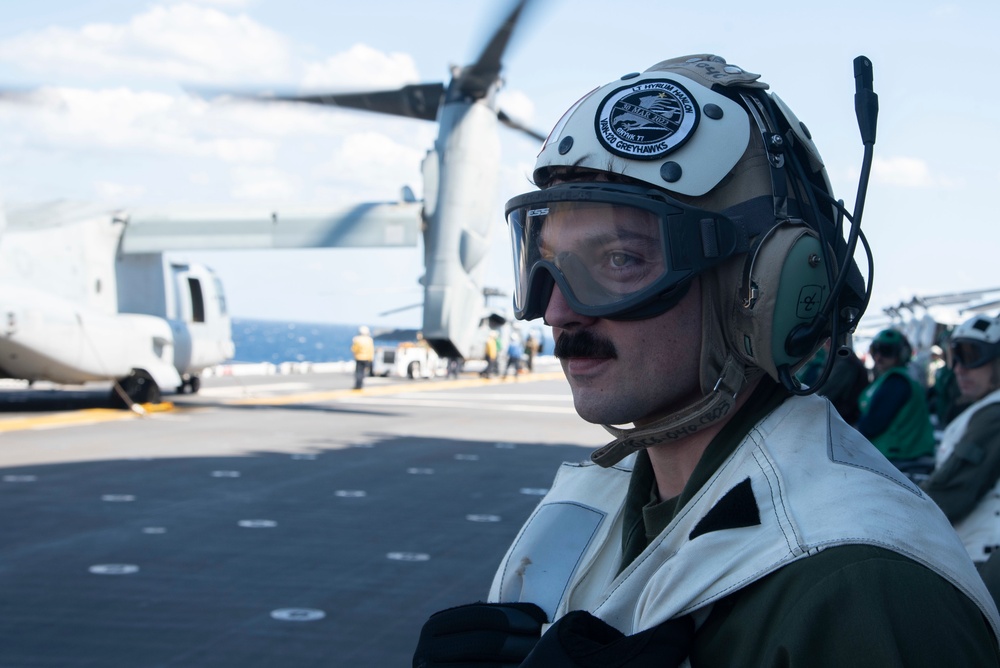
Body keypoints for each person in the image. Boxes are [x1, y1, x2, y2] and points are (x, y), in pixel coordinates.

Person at [413, 54, 999, 666]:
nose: (556, 311)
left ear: (765, 290)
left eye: (618, 260)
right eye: (546, 262)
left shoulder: (862, 588)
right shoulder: (604, 504)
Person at [922, 313, 1000, 603]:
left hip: (983, 565)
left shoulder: (993, 416)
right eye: (955, 356)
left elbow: (952, 491)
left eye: (971, 355)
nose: (958, 369)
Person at [855, 328, 936, 467]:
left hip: (897, 457)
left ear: (901, 354)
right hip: (892, 453)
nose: (878, 357)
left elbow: (873, 424)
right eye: (875, 351)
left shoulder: (896, 382)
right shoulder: (892, 378)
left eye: (886, 351)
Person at [350, 325, 374, 390]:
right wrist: (371, 359)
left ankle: (358, 385)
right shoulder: (369, 340)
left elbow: (354, 349)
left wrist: (355, 354)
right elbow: (371, 350)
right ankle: (360, 385)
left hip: (359, 357)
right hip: (367, 358)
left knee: (358, 372)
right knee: (363, 372)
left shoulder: (356, 339)